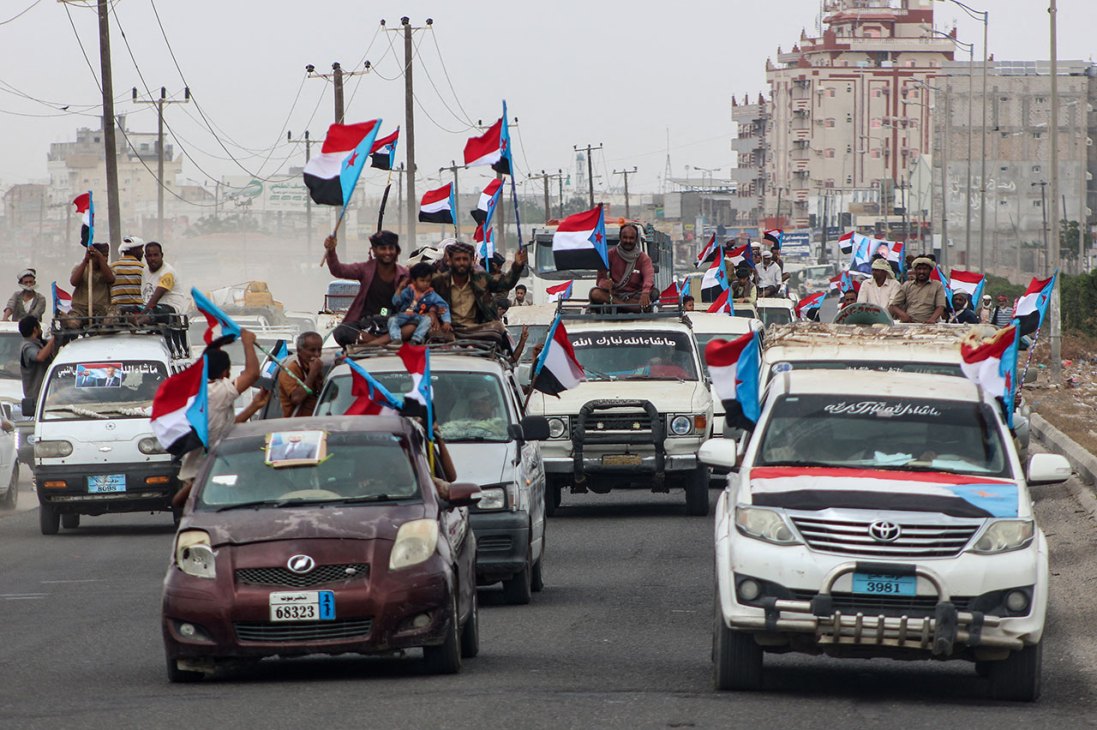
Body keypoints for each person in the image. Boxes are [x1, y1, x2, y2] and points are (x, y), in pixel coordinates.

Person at [172, 329, 260, 509]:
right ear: (225, 372)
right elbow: (252, 374)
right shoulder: (217, 391)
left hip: (200, 465)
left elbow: (226, 426)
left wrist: (254, 406)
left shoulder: (200, 391)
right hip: (206, 467)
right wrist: (247, 343)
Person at [325, 230, 410, 348]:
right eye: (383, 248)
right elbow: (338, 270)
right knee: (342, 331)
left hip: (394, 323)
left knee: (413, 326)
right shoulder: (365, 269)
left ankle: (372, 344)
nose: (388, 252)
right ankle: (383, 342)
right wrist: (331, 251)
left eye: (391, 248)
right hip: (367, 324)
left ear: (396, 251)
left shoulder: (405, 275)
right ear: (374, 250)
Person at [431, 241, 525, 340]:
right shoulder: (439, 282)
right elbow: (424, 300)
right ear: (450, 261)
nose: (461, 263)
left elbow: (505, 283)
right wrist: (432, 314)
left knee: (499, 328)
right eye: (458, 259)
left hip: (478, 328)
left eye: (465, 259)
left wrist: (517, 266)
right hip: (449, 329)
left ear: (471, 260)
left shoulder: (481, 279)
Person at [589, 223, 654, 310]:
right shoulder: (610, 255)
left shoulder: (643, 258)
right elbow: (600, 280)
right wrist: (604, 284)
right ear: (620, 238)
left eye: (631, 238)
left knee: (654, 293)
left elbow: (649, 277)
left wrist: (645, 292)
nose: (628, 241)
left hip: (635, 294)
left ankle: (621, 307)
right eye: (625, 237)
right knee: (595, 293)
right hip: (615, 295)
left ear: (636, 239)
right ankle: (629, 307)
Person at [388, 262, 451, 345]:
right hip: (405, 315)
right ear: (414, 280)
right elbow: (396, 302)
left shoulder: (431, 294)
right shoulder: (408, 290)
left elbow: (443, 306)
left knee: (428, 320)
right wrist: (399, 290)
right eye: (422, 280)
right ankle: (396, 339)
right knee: (392, 320)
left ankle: (416, 339)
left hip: (419, 316)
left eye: (428, 281)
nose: (425, 284)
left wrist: (446, 321)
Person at [277, 331, 324, 418]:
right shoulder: (290, 370)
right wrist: (313, 373)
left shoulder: (315, 367)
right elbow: (296, 398)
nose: (317, 354)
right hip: (297, 426)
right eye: (312, 350)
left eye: (319, 350)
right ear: (299, 350)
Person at [888, 256, 947, 324]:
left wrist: (932, 319)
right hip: (909, 324)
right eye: (919, 269)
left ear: (930, 270)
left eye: (925, 269)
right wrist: (903, 315)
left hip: (929, 325)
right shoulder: (907, 285)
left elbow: (940, 307)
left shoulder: (937, 285)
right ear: (915, 270)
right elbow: (894, 305)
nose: (921, 272)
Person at [67, 243, 115, 324]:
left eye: (106, 256)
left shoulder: (109, 270)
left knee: (111, 319)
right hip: (80, 310)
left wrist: (100, 258)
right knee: (72, 322)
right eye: (103, 256)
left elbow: (110, 279)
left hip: (102, 310)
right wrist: (85, 261)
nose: (105, 259)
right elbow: (73, 282)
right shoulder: (81, 268)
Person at [19, 315, 57, 414]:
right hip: (37, 399)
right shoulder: (27, 346)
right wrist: (54, 339)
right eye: (39, 327)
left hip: (47, 397)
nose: (41, 330)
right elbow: (40, 357)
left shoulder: (39, 343)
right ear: (35, 329)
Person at [111, 236, 146, 314]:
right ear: (134, 250)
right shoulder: (142, 268)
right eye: (141, 249)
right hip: (137, 311)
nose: (143, 252)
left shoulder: (113, 267)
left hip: (116, 311)